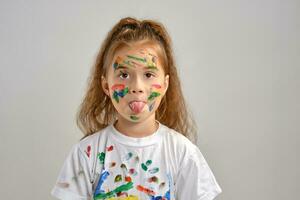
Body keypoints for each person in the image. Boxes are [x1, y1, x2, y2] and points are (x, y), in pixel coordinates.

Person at [51, 16, 222, 200]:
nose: (137, 86)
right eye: (124, 74)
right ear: (106, 85)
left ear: (164, 85)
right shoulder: (86, 154)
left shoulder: (183, 154)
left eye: (148, 74)